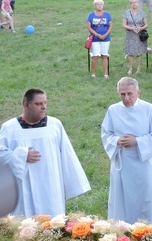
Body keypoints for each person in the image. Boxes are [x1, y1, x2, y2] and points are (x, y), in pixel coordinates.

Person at [0, 88, 90, 217]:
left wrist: (72, 185)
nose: (43, 107)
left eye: (45, 103)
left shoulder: (54, 125)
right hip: (23, 186)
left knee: (52, 221)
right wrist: (21, 155)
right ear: (26, 105)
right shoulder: (10, 128)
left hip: (51, 184)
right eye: (38, 104)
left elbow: (67, 154)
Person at [101, 77, 152, 224]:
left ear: (138, 92)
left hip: (142, 162)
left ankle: (146, 234)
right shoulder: (113, 110)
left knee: (144, 201)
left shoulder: (149, 109)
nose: (126, 98)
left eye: (130, 94)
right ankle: (121, 233)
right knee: (120, 201)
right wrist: (117, 141)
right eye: (122, 94)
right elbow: (106, 134)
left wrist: (137, 141)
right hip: (121, 161)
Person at [123, 0, 149, 75]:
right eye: (133, 3)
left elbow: (146, 24)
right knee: (130, 52)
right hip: (130, 34)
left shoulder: (142, 12)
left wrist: (140, 28)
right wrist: (131, 28)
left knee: (139, 52)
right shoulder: (127, 13)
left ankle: (138, 68)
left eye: (136, 2)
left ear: (138, 3)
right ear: (130, 4)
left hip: (139, 35)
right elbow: (124, 25)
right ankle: (130, 68)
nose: (134, 4)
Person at [87, 0, 113, 78]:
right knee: (95, 56)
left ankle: (105, 73)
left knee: (104, 55)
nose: (99, 6)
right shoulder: (91, 15)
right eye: (97, 4)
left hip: (106, 38)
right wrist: (97, 35)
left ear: (103, 5)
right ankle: (93, 73)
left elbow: (111, 26)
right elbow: (89, 27)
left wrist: (105, 35)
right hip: (95, 39)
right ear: (94, 5)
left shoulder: (107, 14)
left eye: (101, 4)